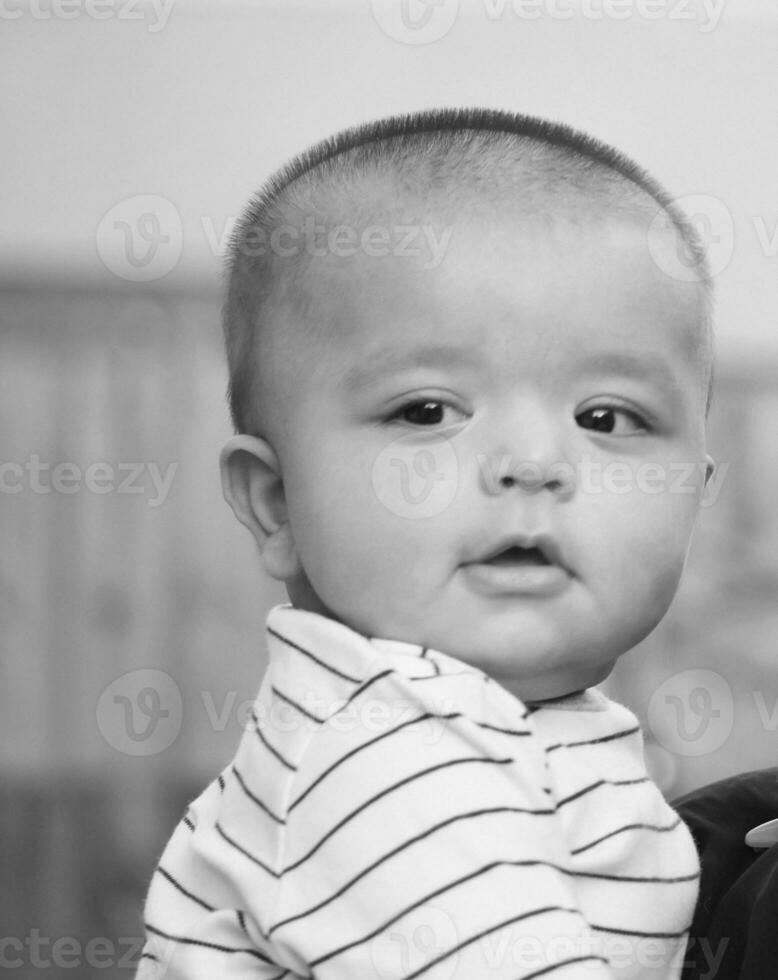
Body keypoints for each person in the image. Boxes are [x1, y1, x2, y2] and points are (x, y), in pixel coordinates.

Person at [136, 108, 717, 979]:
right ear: (278, 503)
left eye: (606, 418)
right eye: (427, 411)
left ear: (695, 498)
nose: (532, 463)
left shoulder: (505, 729)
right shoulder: (379, 759)